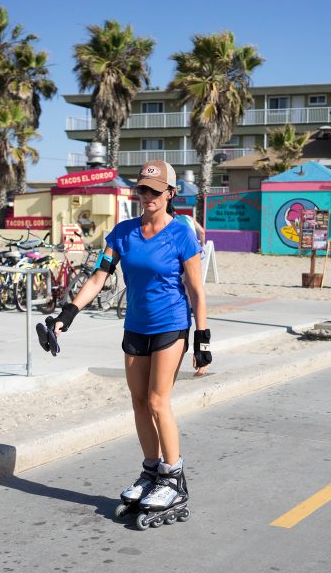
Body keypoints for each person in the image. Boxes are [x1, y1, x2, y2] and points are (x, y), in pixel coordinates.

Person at [38, 160, 209, 525]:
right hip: (135, 327)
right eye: (142, 189)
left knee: (157, 400)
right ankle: (151, 472)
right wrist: (66, 315)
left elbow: (196, 288)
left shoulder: (181, 234)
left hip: (171, 325)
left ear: (170, 194)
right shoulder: (122, 232)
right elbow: (99, 276)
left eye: (155, 190)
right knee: (136, 401)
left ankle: (173, 477)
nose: (147, 196)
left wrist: (202, 338)